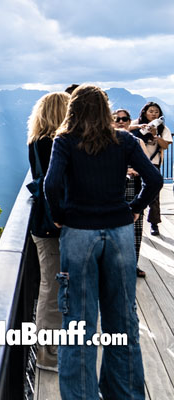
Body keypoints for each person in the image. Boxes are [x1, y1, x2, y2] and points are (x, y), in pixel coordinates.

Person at [44, 85, 162, 400]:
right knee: (122, 319)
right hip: (121, 234)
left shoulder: (65, 141)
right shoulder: (123, 141)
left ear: (74, 110)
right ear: (104, 111)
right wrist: (135, 209)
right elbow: (155, 179)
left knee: (79, 323)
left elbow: (51, 183)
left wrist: (59, 215)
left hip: (80, 234)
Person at [27, 92, 70, 372]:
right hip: (52, 225)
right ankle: (48, 355)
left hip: (43, 223)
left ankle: (50, 348)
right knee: (52, 288)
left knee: (50, 286)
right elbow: (54, 184)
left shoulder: (36, 141)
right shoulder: (53, 144)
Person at [113, 109, 148, 278]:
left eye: (124, 119)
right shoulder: (108, 142)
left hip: (134, 187)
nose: (121, 122)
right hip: (115, 189)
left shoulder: (137, 142)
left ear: (129, 122)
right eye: (117, 119)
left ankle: (132, 264)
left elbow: (146, 167)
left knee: (136, 229)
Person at [129, 101, 172, 236]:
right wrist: (138, 126)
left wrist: (155, 135)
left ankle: (154, 223)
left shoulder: (162, 128)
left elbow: (165, 145)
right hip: (134, 163)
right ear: (144, 112)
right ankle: (135, 218)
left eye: (156, 112)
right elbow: (124, 131)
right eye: (151, 111)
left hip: (153, 162)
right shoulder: (136, 124)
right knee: (135, 191)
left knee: (153, 194)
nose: (153, 114)